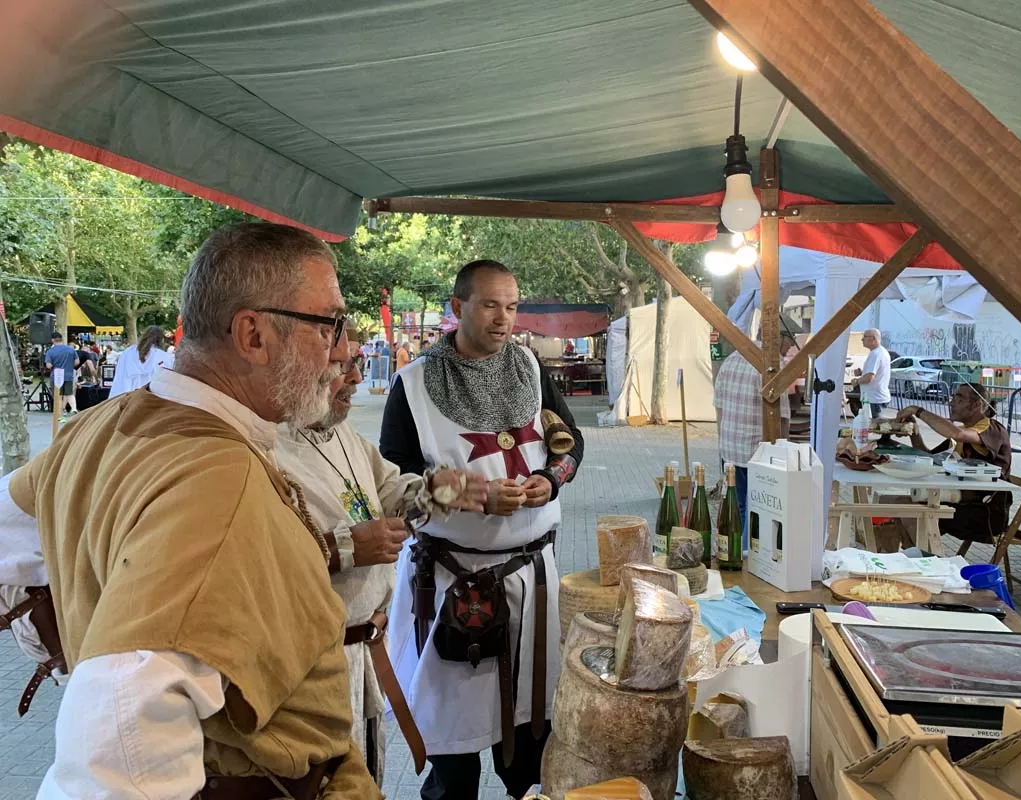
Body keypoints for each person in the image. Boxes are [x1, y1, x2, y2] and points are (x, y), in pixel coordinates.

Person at [0, 223, 381, 798]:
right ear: (253, 335)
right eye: (329, 324)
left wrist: (63, 650)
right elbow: (118, 753)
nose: (343, 349)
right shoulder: (217, 482)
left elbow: (7, 543)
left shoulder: (101, 425)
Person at [381, 259, 584, 800]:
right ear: (457, 308)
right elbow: (394, 488)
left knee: (531, 744)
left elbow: (573, 443)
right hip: (450, 585)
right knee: (453, 762)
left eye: (512, 306)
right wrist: (470, 498)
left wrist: (550, 480)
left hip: (531, 585)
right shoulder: (415, 385)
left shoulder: (530, 368)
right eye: (490, 305)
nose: (504, 319)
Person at [275, 328, 487, 787]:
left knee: (365, 777)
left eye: (355, 362)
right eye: (342, 366)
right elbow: (259, 562)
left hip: (363, 656)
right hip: (310, 669)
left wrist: (436, 490)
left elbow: (390, 491)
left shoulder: (344, 436)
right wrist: (345, 549)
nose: (356, 376)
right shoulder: (266, 449)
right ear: (299, 370)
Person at [897, 382, 1012, 545]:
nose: (951, 403)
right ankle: (911, 560)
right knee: (893, 503)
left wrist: (918, 410)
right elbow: (930, 458)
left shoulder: (991, 429)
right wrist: (914, 431)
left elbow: (956, 433)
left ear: (977, 405)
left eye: (958, 399)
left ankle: (928, 562)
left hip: (986, 514)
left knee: (911, 512)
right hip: (961, 502)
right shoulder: (964, 433)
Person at [713, 335, 791, 550]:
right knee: (756, 508)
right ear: (779, 338)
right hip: (758, 451)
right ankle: (749, 557)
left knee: (736, 506)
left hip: (729, 448)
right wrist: (783, 450)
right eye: (788, 343)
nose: (790, 348)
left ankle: (732, 552)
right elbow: (782, 415)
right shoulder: (772, 364)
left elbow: (718, 406)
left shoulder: (731, 360)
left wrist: (722, 441)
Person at [108, 325, 175, 398]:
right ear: (161, 340)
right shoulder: (164, 357)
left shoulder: (128, 352)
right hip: (152, 399)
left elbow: (120, 378)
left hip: (128, 397)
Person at [853, 328, 891, 418]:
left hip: (874, 399)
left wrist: (856, 381)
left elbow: (869, 378)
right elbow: (874, 374)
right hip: (876, 398)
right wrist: (862, 373)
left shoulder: (876, 354)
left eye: (865, 337)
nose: (862, 339)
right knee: (875, 426)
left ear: (873, 339)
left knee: (874, 426)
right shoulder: (880, 352)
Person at [44, 332, 78, 416]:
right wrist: (69, 366)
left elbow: (48, 365)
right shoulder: (71, 349)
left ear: (52, 340)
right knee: (69, 394)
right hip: (68, 375)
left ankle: (60, 414)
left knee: (58, 396)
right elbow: (77, 362)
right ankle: (73, 408)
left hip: (56, 376)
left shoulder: (50, 352)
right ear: (62, 339)